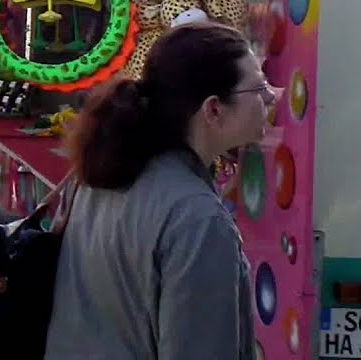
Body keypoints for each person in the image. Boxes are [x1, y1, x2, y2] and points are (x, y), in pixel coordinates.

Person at [45, 23, 268, 359]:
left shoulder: (98, 175)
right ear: (213, 110)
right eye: (258, 88)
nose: (270, 96)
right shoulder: (199, 220)